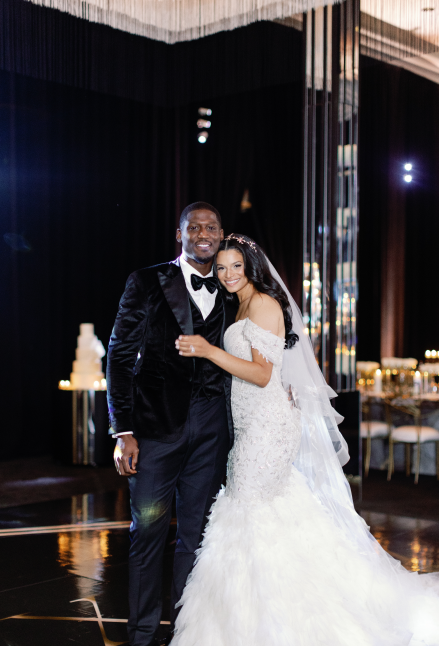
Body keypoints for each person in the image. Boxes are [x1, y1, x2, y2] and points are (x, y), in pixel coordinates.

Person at [173, 233, 439, 646]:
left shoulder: (263, 303)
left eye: (236, 267)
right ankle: (251, 615)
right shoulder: (240, 303)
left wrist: (208, 351)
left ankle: (271, 620)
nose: (228, 275)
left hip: (268, 427)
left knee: (248, 509)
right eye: (223, 267)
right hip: (250, 424)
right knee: (264, 512)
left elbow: (263, 374)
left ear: (251, 268)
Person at [106, 202, 238, 646]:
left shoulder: (233, 288)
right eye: (194, 226)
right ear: (179, 235)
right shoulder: (146, 281)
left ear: (222, 235)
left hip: (211, 430)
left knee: (196, 537)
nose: (203, 233)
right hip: (154, 432)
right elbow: (119, 359)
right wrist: (122, 431)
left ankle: (187, 632)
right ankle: (141, 636)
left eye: (211, 227)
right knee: (147, 532)